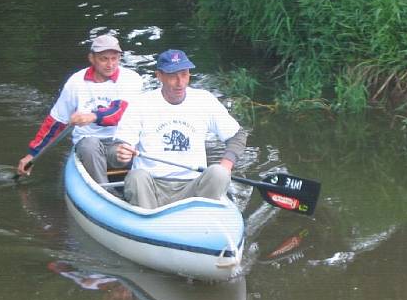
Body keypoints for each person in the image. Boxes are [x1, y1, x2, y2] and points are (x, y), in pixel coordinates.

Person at [114, 49, 247, 209]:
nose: (180, 82)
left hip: (193, 186)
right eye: (172, 75)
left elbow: (238, 135)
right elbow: (117, 149)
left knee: (219, 173)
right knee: (136, 176)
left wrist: (226, 164)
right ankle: (148, 221)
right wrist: (121, 153)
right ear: (159, 76)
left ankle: (202, 216)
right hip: (152, 186)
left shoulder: (204, 100)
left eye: (184, 74)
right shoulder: (141, 104)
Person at [17, 34, 143, 183]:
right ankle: (102, 190)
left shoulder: (131, 79)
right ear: (92, 58)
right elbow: (56, 122)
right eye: (104, 59)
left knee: (125, 150)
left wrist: (93, 116)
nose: (110, 64)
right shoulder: (75, 82)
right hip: (87, 144)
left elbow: (121, 111)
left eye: (114, 58)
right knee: (90, 145)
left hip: (119, 143)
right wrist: (32, 154)